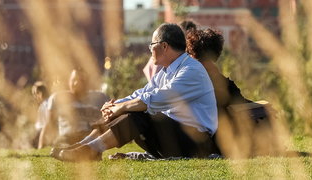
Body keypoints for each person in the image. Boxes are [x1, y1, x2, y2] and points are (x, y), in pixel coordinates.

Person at [53, 23, 217, 162]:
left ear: (164, 46)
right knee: (129, 108)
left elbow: (155, 99)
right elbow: (141, 94)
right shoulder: (166, 72)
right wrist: (114, 105)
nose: (150, 49)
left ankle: (91, 150)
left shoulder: (191, 70)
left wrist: (123, 107)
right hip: (174, 137)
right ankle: (84, 146)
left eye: (152, 45)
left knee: (139, 112)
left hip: (195, 143)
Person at [186, 27, 274, 157]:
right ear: (217, 51)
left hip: (196, 137)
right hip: (222, 139)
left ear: (192, 52)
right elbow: (240, 104)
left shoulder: (187, 78)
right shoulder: (222, 83)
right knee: (265, 111)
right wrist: (264, 108)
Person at [39, 69, 108, 147]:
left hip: (91, 137)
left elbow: (110, 118)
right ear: (69, 81)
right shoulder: (57, 98)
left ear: (87, 83)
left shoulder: (100, 97)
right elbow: (49, 124)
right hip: (66, 138)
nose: (77, 83)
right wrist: (41, 146)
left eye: (81, 80)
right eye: (74, 80)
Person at [32, 81, 50, 148]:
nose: (34, 96)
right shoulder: (44, 104)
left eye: (35, 93)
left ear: (40, 93)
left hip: (44, 133)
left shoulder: (45, 105)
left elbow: (43, 124)